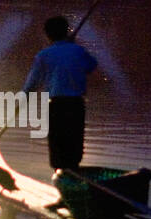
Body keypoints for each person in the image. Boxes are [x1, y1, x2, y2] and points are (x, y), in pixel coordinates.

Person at [21, 15, 97, 170]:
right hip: (76, 104)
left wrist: (21, 100)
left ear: (48, 35)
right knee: (74, 142)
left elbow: (32, 84)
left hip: (57, 105)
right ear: (66, 32)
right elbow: (91, 66)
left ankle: (60, 174)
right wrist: (74, 49)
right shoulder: (78, 51)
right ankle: (72, 171)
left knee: (57, 144)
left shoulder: (43, 55)